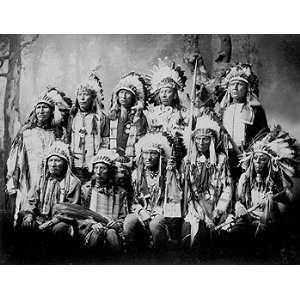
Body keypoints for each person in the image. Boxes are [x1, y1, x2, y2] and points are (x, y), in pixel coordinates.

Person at [229, 126, 300, 251]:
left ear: (269, 162)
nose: (258, 162)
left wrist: (272, 201)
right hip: (247, 217)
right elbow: (239, 200)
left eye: (262, 159)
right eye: (255, 159)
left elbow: (288, 199)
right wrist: (240, 208)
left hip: (268, 221)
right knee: (235, 235)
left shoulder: (277, 179)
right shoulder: (244, 178)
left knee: (264, 242)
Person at [16, 141, 81, 261]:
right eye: (50, 160)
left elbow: (70, 210)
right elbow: (31, 201)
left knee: (59, 229)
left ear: (65, 164)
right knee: (25, 223)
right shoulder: (41, 179)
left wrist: (50, 223)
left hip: (61, 220)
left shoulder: (73, 182)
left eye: (58, 160)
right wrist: (29, 215)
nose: (53, 164)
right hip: (40, 217)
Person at [123, 132, 185, 253]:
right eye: (146, 153)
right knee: (129, 222)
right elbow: (132, 200)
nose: (148, 157)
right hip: (142, 210)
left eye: (153, 153)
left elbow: (174, 198)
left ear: (160, 156)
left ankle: (159, 257)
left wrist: (171, 174)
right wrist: (142, 211)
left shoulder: (168, 173)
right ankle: (133, 256)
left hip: (162, 211)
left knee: (155, 225)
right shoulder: (137, 175)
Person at [6, 90, 61, 225]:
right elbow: (15, 158)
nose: (41, 111)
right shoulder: (26, 132)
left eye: (45, 107)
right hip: (29, 177)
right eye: (38, 107)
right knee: (26, 213)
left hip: (50, 178)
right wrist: (13, 178)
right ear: (35, 110)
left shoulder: (57, 133)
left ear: (52, 111)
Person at [181, 115, 233, 251]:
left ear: (212, 140)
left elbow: (227, 188)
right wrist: (202, 215)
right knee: (193, 235)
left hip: (216, 207)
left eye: (205, 139)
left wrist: (218, 212)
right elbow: (189, 192)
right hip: (196, 209)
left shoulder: (221, 160)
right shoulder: (188, 160)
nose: (201, 142)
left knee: (217, 240)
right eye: (198, 138)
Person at [220, 63, 269, 180]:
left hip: (245, 156)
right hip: (226, 157)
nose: (235, 88)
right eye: (232, 84)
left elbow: (262, 134)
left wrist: (250, 152)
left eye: (239, 84)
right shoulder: (224, 110)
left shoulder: (255, 110)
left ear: (247, 88)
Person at [78, 149, 128, 254]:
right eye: (96, 168)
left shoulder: (120, 192)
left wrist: (117, 224)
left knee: (111, 235)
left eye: (102, 168)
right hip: (91, 227)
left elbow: (123, 216)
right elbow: (80, 214)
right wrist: (91, 224)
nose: (98, 172)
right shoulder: (86, 189)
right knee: (96, 235)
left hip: (112, 227)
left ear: (110, 171)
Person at [69, 72, 109, 183]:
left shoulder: (101, 117)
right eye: (79, 95)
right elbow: (68, 139)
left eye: (86, 94)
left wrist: (99, 160)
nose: (82, 98)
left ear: (92, 98)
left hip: (95, 165)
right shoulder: (72, 117)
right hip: (75, 165)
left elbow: (105, 142)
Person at [109, 72, 149, 165]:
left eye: (127, 93)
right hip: (113, 161)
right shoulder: (112, 116)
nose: (123, 96)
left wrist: (137, 120)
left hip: (133, 161)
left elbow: (142, 141)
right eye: (121, 92)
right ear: (117, 96)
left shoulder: (140, 117)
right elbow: (105, 141)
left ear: (134, 98)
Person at [145, 59, 189, 134]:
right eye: (162, 92)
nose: (164, 95)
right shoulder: (152, 113)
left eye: (168, 92)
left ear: (175, 95)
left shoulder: (183, 113)